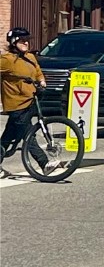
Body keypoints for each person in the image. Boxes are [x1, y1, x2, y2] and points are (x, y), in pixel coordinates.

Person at [0, 28, 50, 178]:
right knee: (28, 133)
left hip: (30, 101)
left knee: (8, 137)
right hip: (16, 103)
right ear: (14, 42)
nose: (26, 43)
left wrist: (41, 80)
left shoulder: (30, 57)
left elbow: (37, 71)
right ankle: (44, 163)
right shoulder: (7, 60)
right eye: (22, 41)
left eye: (27, 40)